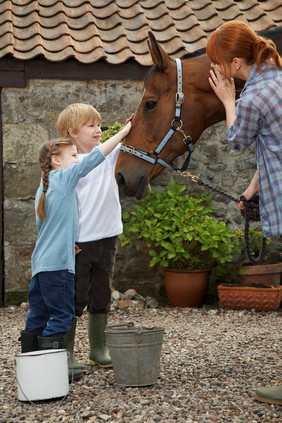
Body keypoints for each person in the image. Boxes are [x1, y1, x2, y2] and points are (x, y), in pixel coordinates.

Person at [206, 20, 282, 405]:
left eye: (217, 63)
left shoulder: (253, 96)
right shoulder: (278, 77)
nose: (214, 69)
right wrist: (252, 190)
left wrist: (227, 100)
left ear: (235, 63)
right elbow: (274, 145)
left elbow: (237, 142)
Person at [20, 121, 131, 381]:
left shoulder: (45, 186)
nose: (76, 159)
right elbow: (91, 161)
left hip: (41, 264)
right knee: (63, 314)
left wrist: (67, 238)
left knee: (38, 314)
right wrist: (124, 133)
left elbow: (45, 223)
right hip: (59, 265)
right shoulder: (65, 176)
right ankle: (51, 368)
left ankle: (29, 366)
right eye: (72, 156)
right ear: (56, 161)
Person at [56, 103, 132, 371]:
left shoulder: (112, 154)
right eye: (92, 125)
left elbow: (128, 146)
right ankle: (65, 352)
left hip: (107, 238)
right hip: (78, 243)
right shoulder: (68, 164)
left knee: (101, 295)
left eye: (100, 125)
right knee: (75, 297)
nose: (99, 130)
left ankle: (98, 350)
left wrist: (133, 127)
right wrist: (123, 131)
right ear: (72, 132)